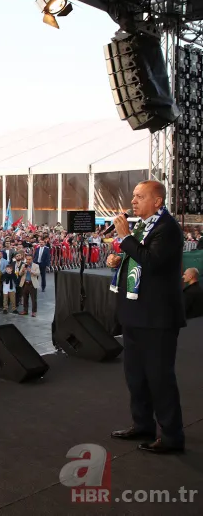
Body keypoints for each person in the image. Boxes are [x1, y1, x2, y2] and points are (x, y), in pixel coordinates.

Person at [107, 180, 185, 454]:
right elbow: (136, 259)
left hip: (157, 318)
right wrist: (119, 259)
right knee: (136, 377)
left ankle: (172, 436)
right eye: (133, 196)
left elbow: (152, 262)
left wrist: (126, 238)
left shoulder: (168, 229)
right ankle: (143, 425)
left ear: (158, 201)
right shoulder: (142, 226)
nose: (133, 201)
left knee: (159, 378)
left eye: (140, 196)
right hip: (135, 315)